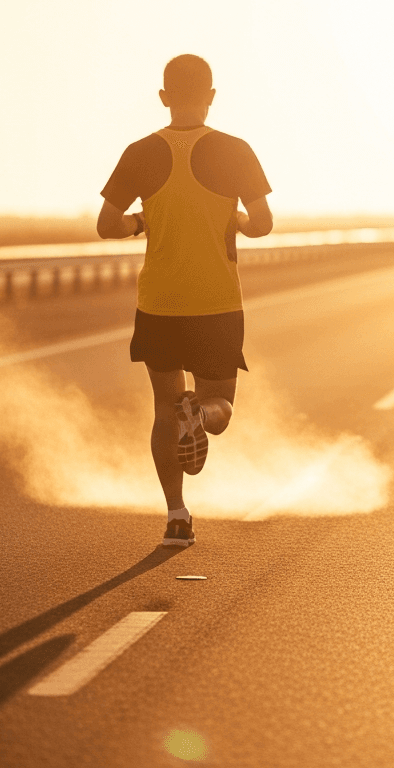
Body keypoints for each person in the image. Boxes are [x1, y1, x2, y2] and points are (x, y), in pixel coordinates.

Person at [97, 54, 273, 548]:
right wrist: (234, 220)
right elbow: (262, 224)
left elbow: (107, 225)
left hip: (160, 303)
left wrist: (140, 223)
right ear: (212, 96)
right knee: (219, 406)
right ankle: (201, 414)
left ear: (163, 97)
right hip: (216, 301)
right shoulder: (235, 151)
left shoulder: (139, 152)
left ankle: (176, 516)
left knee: (163, 406)